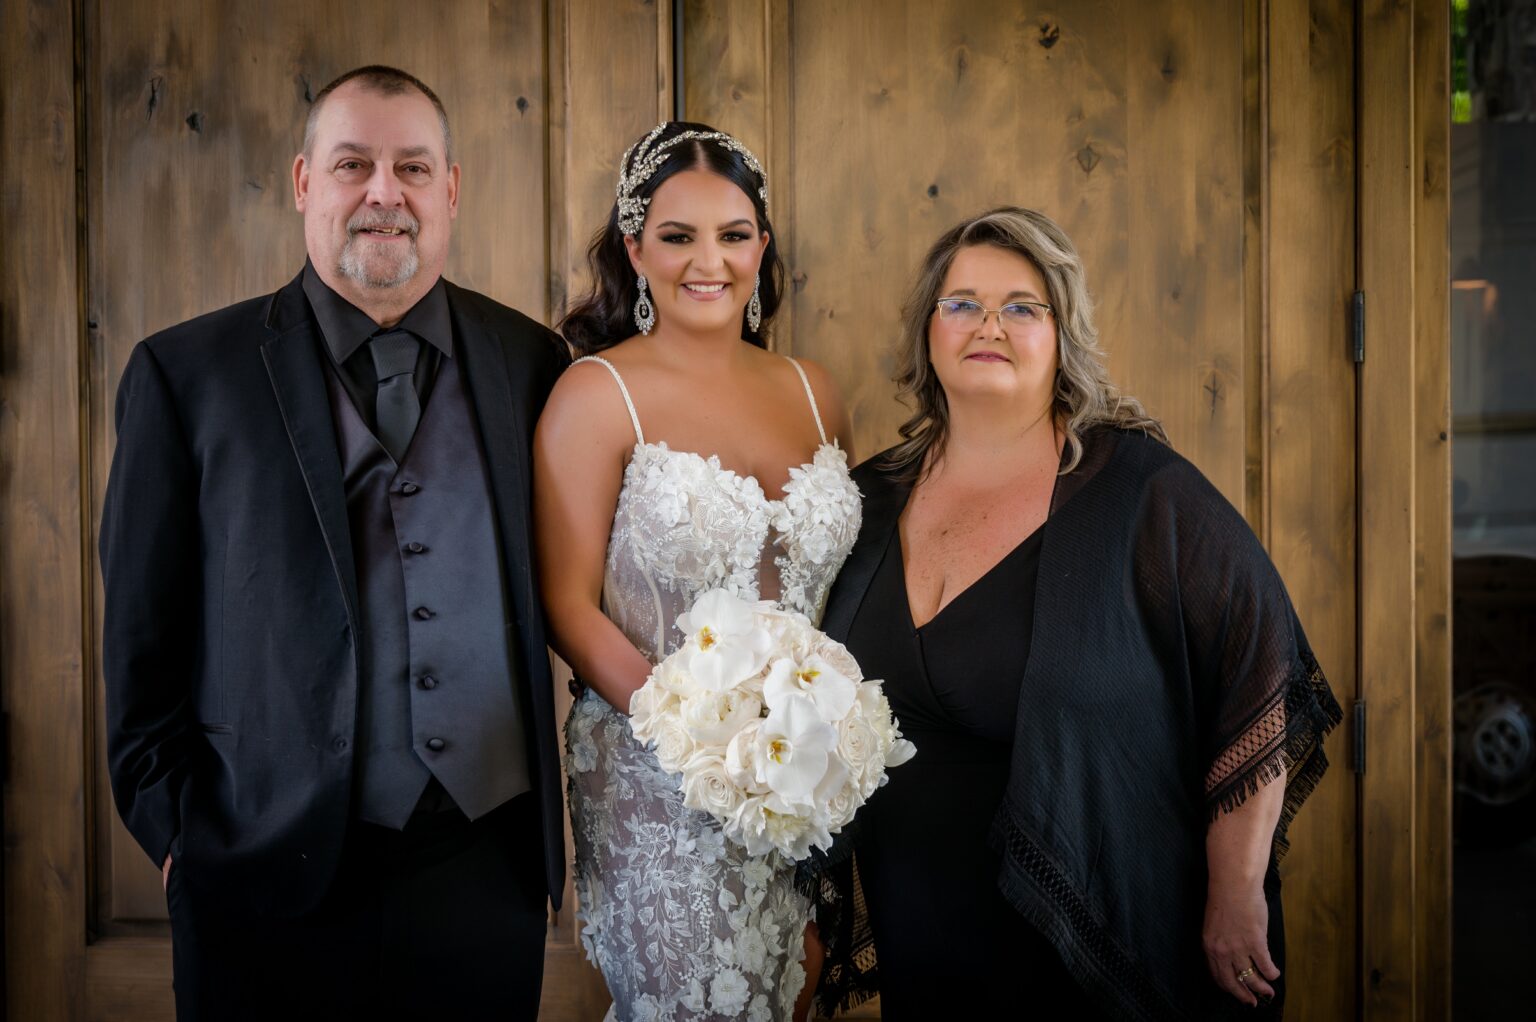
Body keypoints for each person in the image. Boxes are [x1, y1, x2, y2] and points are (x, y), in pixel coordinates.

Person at [100, 65, 568, 1019]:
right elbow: (140, 641)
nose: (384, 193)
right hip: (260, 877)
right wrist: (179, 835)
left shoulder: (534, 364)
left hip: (483, 871)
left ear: (452, 189)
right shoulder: (186, 375)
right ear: (307, 182)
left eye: (411, 167)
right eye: (354, 164)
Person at [814, 207, 1342, 1019]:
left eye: (1022, 307)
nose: (988, 325)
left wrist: (1237, 889)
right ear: (929, 328)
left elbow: (1261, 663)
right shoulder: (869, 497)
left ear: (1063, 336)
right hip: (924, 935)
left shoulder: (1136, 491)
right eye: (962, 303)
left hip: (1080, 935)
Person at [533, 121, 860, 1021]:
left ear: (762, 247)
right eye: (677, 236)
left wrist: (810, 742)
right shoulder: (597, 393)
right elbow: (565, 604)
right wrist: (702, 740)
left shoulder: (814, 390)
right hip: (654, 774)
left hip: (805, 775)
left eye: (732, 234)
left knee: (796, 995)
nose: (706, 261)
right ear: (635, 249)